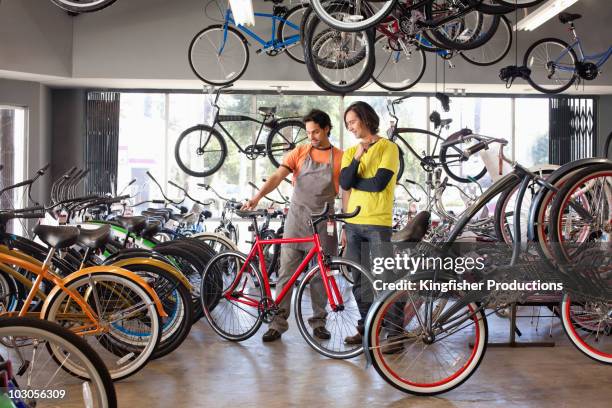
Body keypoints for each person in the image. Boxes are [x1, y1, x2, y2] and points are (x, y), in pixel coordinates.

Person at [242, 109, 343, 342]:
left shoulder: (339, 156)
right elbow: (277, 176)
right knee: (286, 274)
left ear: (327, 128)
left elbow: (345, 190)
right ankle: (277, 324)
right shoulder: (299, 152)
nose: (312, 136)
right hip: (296, 220)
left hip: (323, 222)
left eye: (316, 131)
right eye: (308, 132)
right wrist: (257, 197)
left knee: (321, 276)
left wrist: (344, 220)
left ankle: (319, 323)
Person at [339, 101, 402, 350]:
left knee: (385, 281)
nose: (350, 127)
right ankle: (367, 329)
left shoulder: (389, 148)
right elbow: (345, 182)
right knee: (359, 282)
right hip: (353, 224)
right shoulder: (349, 152)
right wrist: (357, 157)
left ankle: (395, 335)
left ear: (366, 119)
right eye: (347, 124)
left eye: (353, 121)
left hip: (378, 224)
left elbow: (378, 184)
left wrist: (356, 181)